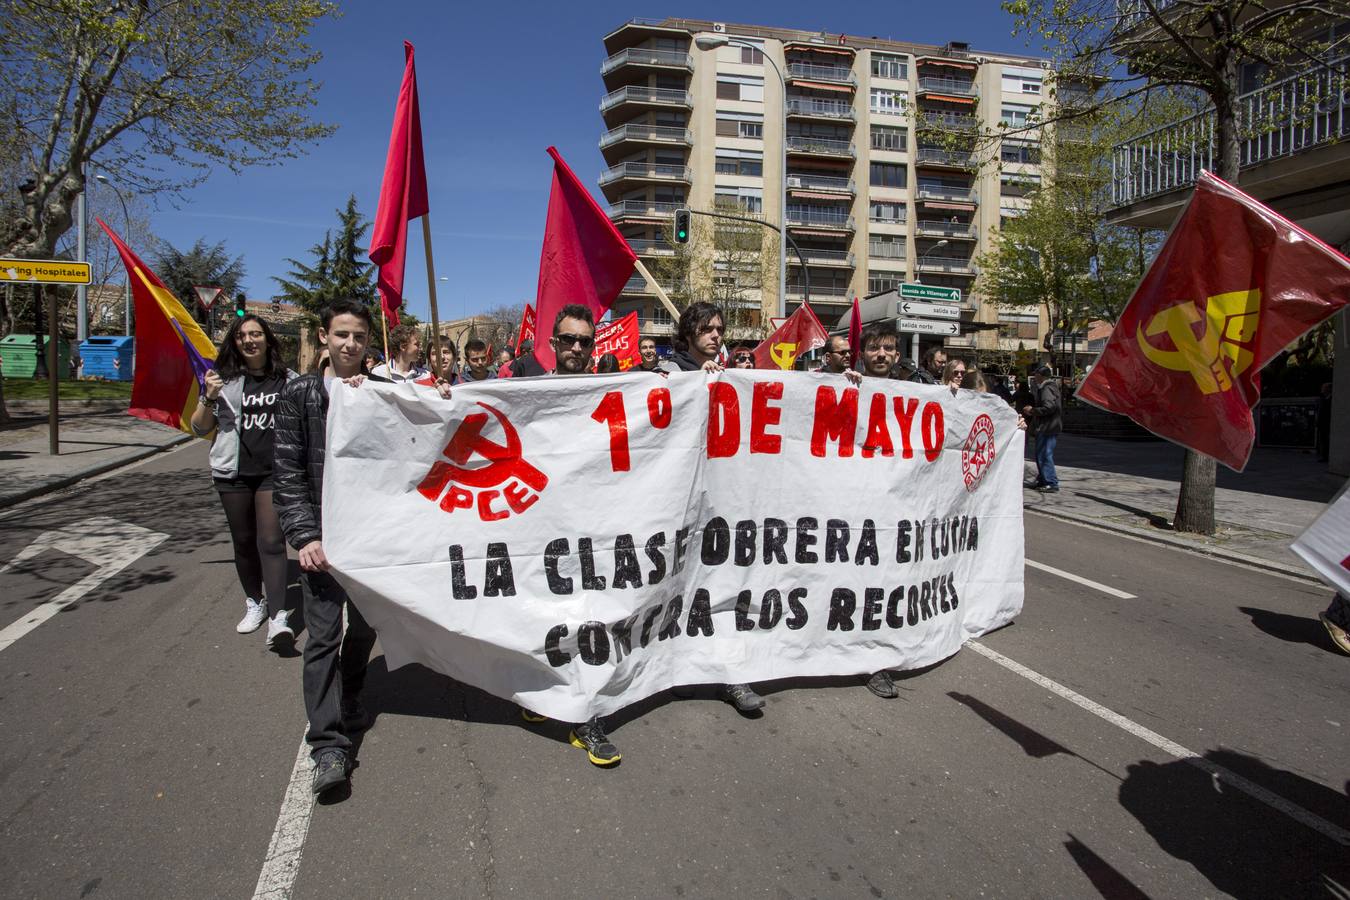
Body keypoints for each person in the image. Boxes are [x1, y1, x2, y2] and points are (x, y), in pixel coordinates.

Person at [273, 299, 388, 796]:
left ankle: (355, 690)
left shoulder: (382, 393)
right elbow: (287, 472)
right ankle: (328, 746)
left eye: (359, 336)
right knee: (321, 640)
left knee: (364, 628)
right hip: (320, 544)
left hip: (370, 543)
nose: (350, 344)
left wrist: (438, 395)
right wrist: (304, 536)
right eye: (341, 334)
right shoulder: (298, 395)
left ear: (368, 342)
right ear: (324, 337)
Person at [517, 304, 623, 767]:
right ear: (553, 343)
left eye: (584, 340)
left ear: (593, 345)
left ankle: (587, 718)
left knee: (591, 621)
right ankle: (540, 695)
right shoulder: (527, 395)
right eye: (568, 340)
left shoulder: (615, 393)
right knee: (545, 618)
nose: (576, 348)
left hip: (596, 532)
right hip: (543, 531)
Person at [658, 301, 767, 714]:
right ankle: (678, 666)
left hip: (725, 502)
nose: (716, 335)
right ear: (688, 333)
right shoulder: (667, 372)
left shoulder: (732, 375)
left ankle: (731, 676)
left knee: (723, 588)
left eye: (720, 329)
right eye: (706, 328)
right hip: (680, 502)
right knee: (679, 587)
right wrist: (687, 384)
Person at [190, 314, 299, 647]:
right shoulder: (221, 379)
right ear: (234, 343)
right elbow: (199, 427)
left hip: (273, 472)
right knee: (244, 542)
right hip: (232, 473)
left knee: (271, 541)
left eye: (256, 334)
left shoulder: (288, 379)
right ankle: (255, 602)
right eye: (242, 336)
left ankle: (279, 617)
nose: (249, 340)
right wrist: (208, 396)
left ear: (268, 339)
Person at [853, 321, 906, 700]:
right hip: (847, 510)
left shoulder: (916, 392)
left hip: (890, 512)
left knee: (880, 586)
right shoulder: (844, 385)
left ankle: (875, 662)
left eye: (888, 349)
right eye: (874, 349)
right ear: (863, 352)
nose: (881, 355)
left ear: (898, 355)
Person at [1022, 364, 1062, 493]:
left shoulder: (1046, 388)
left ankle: (1050, 482)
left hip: (1047, 427)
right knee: (1042, 454)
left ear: (1040, 375)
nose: (1034, 377)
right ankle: (1043, 480)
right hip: (1050, 426)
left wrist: (1032, 410)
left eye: (1036, 374)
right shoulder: (1050, 387)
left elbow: (1049, 407)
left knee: (1044, 455)